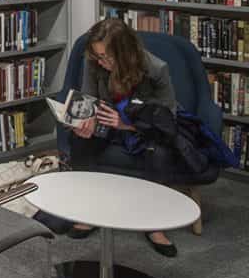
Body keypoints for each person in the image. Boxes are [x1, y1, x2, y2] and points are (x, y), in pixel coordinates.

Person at [67, 18, 180, 257]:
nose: (103, 62)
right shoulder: (93, 63)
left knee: (159, 152)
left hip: (144, 126)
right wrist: (84, 122)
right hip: (107, 121)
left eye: (107, 57)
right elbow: (89, 99)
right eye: (98, 56)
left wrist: (127, 124)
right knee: (80, 139)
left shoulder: (156, 69)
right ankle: (88, 211)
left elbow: (168, 118)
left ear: (125, 52)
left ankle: (155, 224)